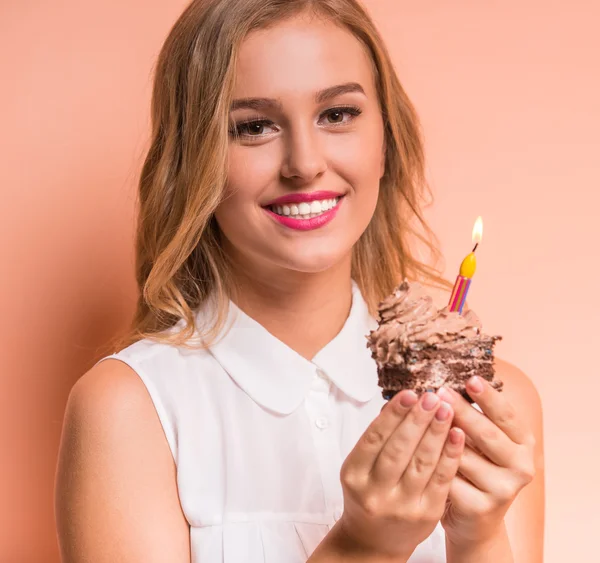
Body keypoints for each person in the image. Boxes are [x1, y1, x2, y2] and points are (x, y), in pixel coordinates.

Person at [54, 0, 545, 561]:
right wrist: (363, 546)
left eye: (337, 115)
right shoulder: (129, 410)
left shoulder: (498, 404)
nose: (305, 164)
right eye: (254, 126)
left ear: (387, 138)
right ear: (196, 162)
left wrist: (478, 537)